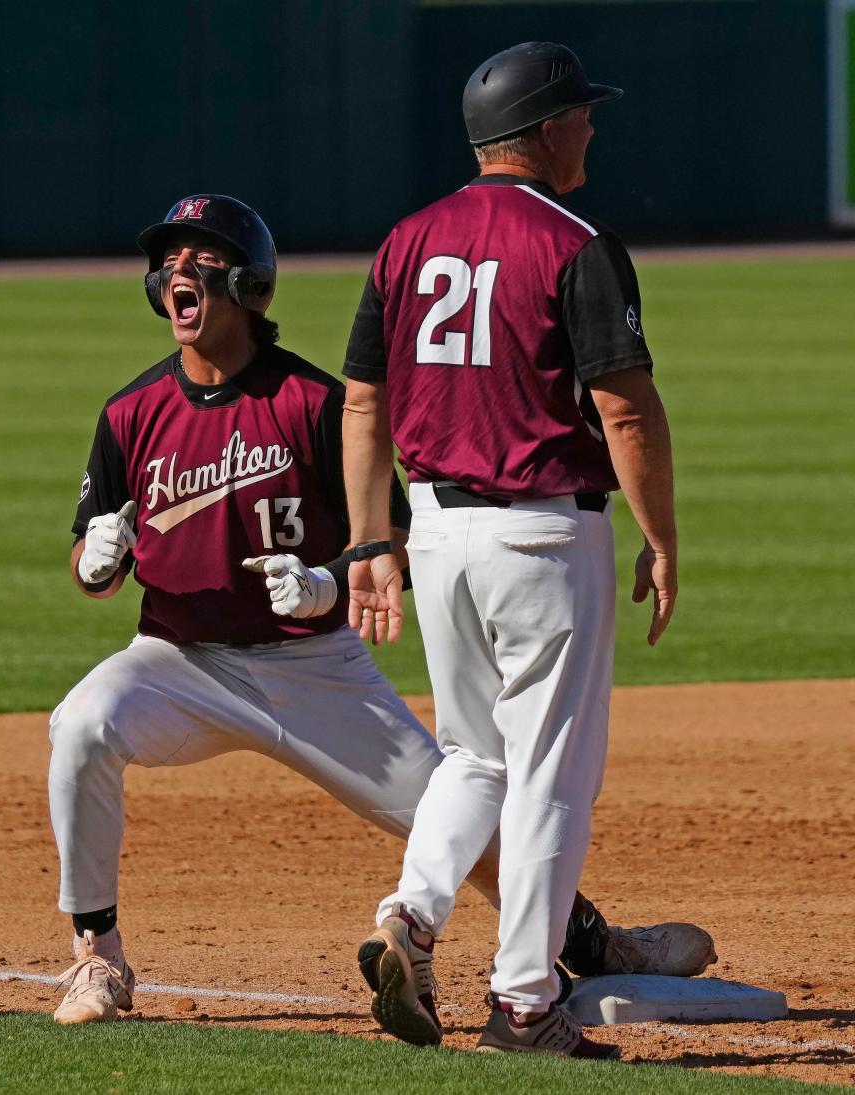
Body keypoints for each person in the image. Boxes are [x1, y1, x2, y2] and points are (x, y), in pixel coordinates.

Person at [49, 191, 705, 1027]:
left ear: (249, 281)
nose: (176, 271)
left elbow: (390, 529)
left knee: (452, 799)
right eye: (167, 258)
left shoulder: (312, 404)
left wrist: (330, 579)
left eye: (198, 254)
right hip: (178, 661)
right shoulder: (129, 414)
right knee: (80, 725)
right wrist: (94, 561)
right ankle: (97, 959)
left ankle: (589, 937)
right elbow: (90, 562)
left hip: (316, 668)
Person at [341, 42, 679, 1057]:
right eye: (579, 113)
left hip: (438, 532)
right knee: (549, 774)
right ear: (540, 131)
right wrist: (661, 539)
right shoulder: (576, 241)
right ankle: (528, 1004)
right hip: (542, 534)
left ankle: (412, 912)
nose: (592, 127)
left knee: (473, 753)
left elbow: (363, 400)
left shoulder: (406, 239)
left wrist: (371, 538)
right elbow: (624, 411)